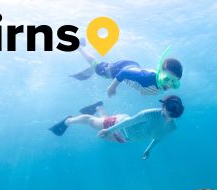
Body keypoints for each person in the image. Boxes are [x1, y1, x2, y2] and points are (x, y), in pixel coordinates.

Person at [49, 96, 184, 160]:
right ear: (163, 106)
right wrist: (109, 130)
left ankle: (99, 107)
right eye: (170, 109)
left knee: (100, 127)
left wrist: (148, 150)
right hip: (118, 124)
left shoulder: (172, 128)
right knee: (91, 121)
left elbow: (158, 138)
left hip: (124, 138)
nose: (172, 114)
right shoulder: (149, 114)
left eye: (176, 112)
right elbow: (130, 122)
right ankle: (67, 121)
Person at [72, 39, 182, 97]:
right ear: (160, 73)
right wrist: (112, 87)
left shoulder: (162, 83)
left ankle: (102, 66)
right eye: (167, 79)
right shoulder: (147, 78)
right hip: (123, 69)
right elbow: (124, 72)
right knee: (100, 71)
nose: (169, 85)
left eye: (175, 83)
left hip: (133, 67)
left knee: (105, 68)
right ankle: (79, 47)